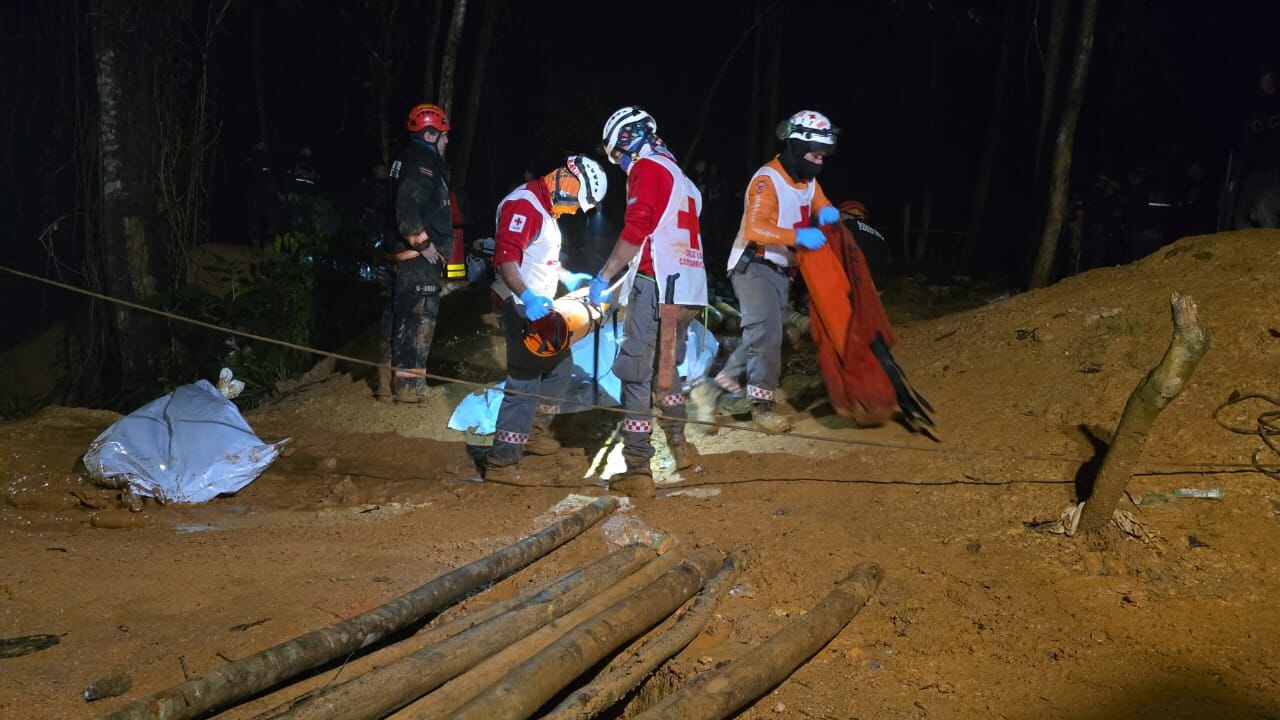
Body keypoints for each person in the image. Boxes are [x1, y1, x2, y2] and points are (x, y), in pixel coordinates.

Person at [589, 106, 708, 497]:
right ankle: (680, 447)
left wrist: (604, 276)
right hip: (688, 290)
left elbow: (637, 229)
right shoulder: (684, 180)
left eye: (618, 156)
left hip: (658, 287)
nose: (621, 165)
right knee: (666, 373)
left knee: (634, 374)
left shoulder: (648, 168)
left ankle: (638, 469)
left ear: (628, 139)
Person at [701, 110, 841, 433]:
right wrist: (798, 236)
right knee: (768, 334)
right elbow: (754, 227)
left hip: (780, 268)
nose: (819, 161)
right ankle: (761, 407)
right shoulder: (768, 179)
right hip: (753, 264)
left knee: (763, 335)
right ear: (794, 145)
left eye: (823, 156)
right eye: (814, 154)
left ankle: (709, 391)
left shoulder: (808, 181)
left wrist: (836, 222)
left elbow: (823, 206)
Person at [484, 156, 608, 480]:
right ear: (565, 183)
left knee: (559, 366)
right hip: (521, 305)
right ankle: (502, 460)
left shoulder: (545, 211)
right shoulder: (524, 205)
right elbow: (506, 259)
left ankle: (534, 432)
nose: (574, 211)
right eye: (575, 203)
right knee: (524, 378)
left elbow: (538, 257)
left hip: (539, 307)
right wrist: (526, 296)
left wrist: (568, 276)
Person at [388, 102, 455, 403]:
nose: (447, 140)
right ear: (429, 135)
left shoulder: (413, 161)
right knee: (419, 322)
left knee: (410, 321)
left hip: (413, 260)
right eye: (443, 135)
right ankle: (410, 391)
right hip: (417, 262)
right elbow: (407, 213)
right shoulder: (420, 165)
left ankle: (408, 387)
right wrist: (426, 247)